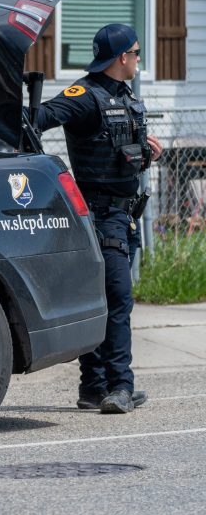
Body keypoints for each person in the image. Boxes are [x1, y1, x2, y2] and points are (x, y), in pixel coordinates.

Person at [36, 23, 163, 414]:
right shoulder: (85, 95)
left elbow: (122, 148)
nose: (139, 60)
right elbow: (38, 118)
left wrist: (147, 150)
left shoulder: (121, 94)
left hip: (123, 216)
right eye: (137, 53)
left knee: (106, 299)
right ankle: (119, 386)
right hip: (99, 216)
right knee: (115, 300)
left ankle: (94, 387)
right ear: (122, 57)